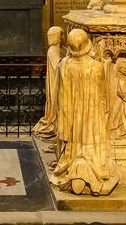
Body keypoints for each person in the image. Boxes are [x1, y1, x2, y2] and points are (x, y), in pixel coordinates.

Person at [50, 29, 119, 196]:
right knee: (91, 141)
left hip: (73, 116)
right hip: (92, 118)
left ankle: (74, 163)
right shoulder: (96, 67)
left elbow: (59, 95)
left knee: (75, 141)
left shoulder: (64, 65)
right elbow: (103, 97)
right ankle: (90, 166)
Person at [32, 26, 65, 140]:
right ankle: (52, 122)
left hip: (59, 80)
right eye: (61, 35)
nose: (63, 37)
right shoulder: (52, 50)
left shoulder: (59, 49)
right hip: (55, 81)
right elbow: (58, 65)